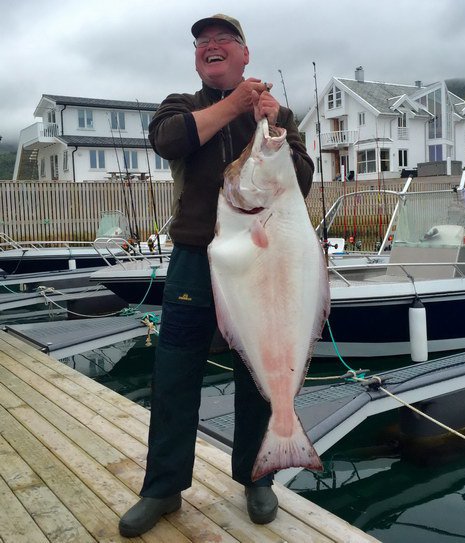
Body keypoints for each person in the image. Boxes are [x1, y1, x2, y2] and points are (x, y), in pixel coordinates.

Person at [119, 13, 314, 538]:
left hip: (260, 260)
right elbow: (170, 142)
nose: (211, 45)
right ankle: (162, 488)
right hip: (194, 259)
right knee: (176, 373)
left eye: (224, 40)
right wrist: (238, 105)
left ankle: (259, 477)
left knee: (258, 368)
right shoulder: (180, 107)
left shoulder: (280, 117)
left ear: (245, 54)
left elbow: (301, 180)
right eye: (203, 42)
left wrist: (274, 124)